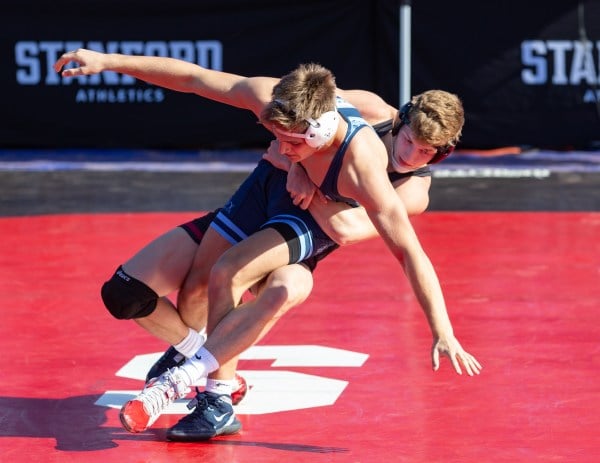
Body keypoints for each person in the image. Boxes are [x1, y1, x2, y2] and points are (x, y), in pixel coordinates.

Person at [54, 50, 480, 441]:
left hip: (304, 227)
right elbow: (195, 77)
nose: (413, 156)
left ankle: (214, 394)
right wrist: (107, 60)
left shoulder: (377, 176)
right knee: (155, 296)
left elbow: (355, 232)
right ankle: (204, 356)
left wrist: (442, 329)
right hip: (263, 196)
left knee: (244, 277)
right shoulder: (335, 110)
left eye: (430, 152)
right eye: (409, 141)